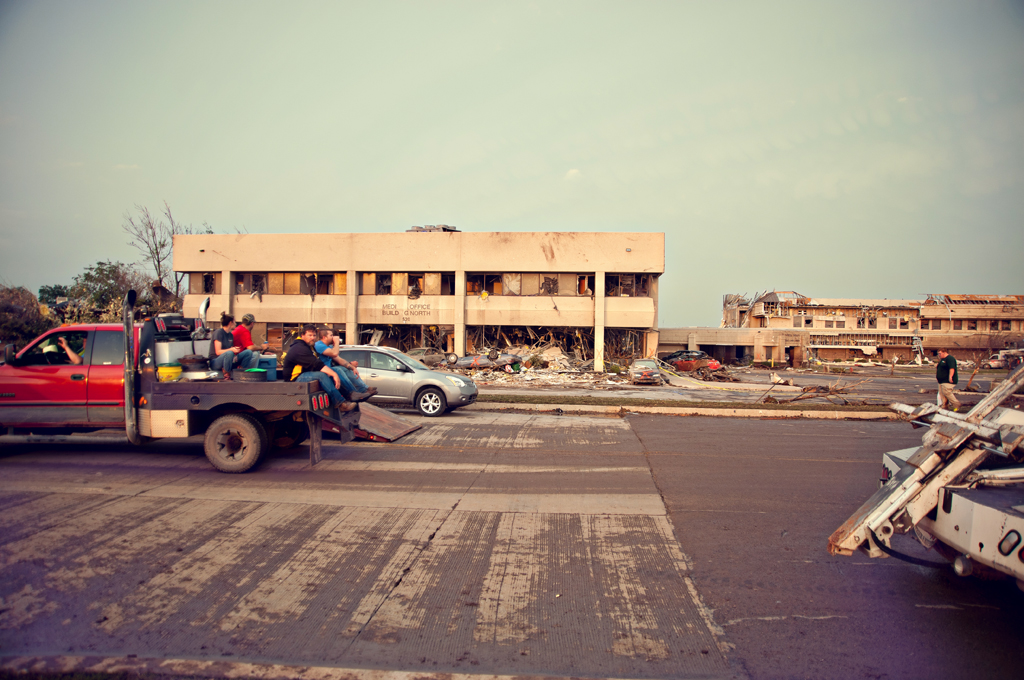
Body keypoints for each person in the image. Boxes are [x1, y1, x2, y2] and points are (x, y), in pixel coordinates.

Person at [282, 324, 356, 411]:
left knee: (334, 370)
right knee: (322, 375)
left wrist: (337, 370)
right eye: (310, 335)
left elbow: (318, 361)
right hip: (294, 378)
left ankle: (351, 395)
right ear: (302, 335)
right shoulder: (299, 348)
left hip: (305, 373)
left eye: (314, 335)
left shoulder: (308, 346)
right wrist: (334, 374)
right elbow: (316, 364)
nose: (312, 338)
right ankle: (340, 404)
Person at [314, 328, 377, 400]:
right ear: (324, 337)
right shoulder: (319, 345)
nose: (333, 337)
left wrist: (352, 367)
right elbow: (334, 353)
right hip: (323, 370)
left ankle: (363, 389)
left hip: (329, 369)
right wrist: (336, 342)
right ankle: (352, 393)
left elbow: (339, 360)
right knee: (338, 369)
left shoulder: (328, 346)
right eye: (331, 335)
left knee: (344, 368)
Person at [209, 312, 259, 379]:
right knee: (229, 353)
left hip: (228, 359)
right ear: (230, 323)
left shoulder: (230, 335)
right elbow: (218, 352)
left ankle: (241, 372)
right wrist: (231, 350)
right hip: (216, 361)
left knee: (248, 352)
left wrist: (235, 352)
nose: (235, 324)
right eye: (234, 322)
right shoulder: (219, 332)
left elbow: (230, 351)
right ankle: (226, 373)